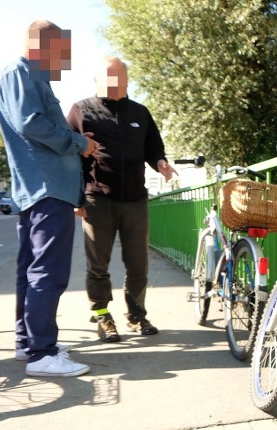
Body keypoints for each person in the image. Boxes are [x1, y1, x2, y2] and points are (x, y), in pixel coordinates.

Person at [0, 20, 98, 377]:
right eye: (61, 50)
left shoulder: (25, 75)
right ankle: (42, 353)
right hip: (45, 187)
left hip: (41, 188)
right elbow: (31, 124)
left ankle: (29, 344)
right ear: (44, 45)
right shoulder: (20, 73)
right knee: (47, 273)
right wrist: (80, 143)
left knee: (31, 271)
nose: (63, 58)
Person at [66, 56, 176, 342]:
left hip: (135, 200)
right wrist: (75, 196)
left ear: (126, 80)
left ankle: (137, 315)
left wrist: (161, 163)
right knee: (98, 264)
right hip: (96, 198)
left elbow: (154, 148)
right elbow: (67, 153)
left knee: (138, 263)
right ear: (96, 81)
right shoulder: (81, 110)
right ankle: (102, 316)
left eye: (116, 77)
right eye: (104, 78)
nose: (110, 83)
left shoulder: (140, 112)